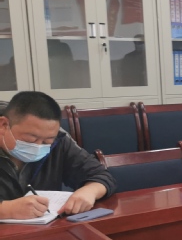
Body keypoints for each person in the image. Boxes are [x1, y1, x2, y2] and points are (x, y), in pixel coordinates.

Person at [0, 91, 115, 220]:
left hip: (46, 228)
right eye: (31, 139)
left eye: (47, 141)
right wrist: (6, 210)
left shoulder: (59, 139)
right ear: (3, 125)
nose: (38, 146)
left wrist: (90, 191)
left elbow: (101, 175)